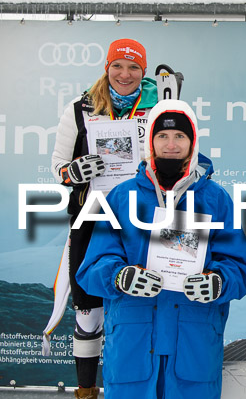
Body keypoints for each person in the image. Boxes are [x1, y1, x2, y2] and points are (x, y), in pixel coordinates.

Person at [76, 100, 246, 399]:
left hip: (192, 345)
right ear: (151, 141)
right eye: (163, 136)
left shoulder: (216, 199)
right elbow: (92, 267)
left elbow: (240, 267)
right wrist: (119, 276)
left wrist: (219, 281)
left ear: (192, 141)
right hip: (134, 345)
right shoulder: (122, 196)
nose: (171, 144)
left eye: (180, 136)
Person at [44, 38, 158, 399]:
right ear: (106, 68)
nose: (125, 74)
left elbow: (175, 152)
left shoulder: (157, 108)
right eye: (118, 66)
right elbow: (58, 167)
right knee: (88, 311)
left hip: (139, 220)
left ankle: (130, 389)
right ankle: (86, 390)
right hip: (90, 217)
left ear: (144, 70)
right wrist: (74, 171)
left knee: (135, 308)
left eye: (134, 67)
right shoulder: (80, 108)